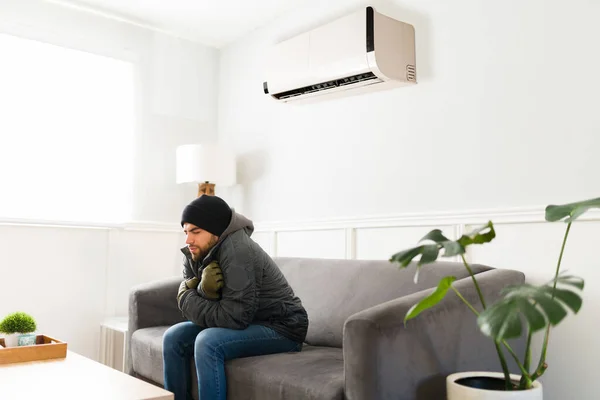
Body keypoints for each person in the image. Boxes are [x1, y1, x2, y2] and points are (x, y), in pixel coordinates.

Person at [163, 195, 309, 400]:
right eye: (186, 231)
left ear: (216, 231)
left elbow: (233, 317)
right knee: (173, 337)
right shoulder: (194, 251)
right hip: (249, 320)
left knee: (208, 341)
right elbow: (195, 301)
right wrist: (204, 291)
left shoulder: (238, 250)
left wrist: (185, 294)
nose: (188, 240)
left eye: (196, 231)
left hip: (282, 327)